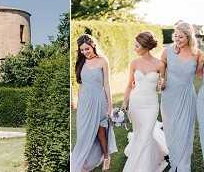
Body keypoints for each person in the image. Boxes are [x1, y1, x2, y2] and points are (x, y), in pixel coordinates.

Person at [122, 31, 167, 172]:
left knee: (146, 134)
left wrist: (162, 85)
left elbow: (162, 85)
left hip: (151, 105)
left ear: (145, 46)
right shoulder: (134, 63)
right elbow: (130, 84)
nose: (134, 48)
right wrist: (125, 102)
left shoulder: (160, 65)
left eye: (136, 46)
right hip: (136, 103)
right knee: (140, 134)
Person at [160, 21, 203, 172]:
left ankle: (183, 164)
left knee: (185, 130)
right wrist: (162, 79)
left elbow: (200, 75)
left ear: (189, 37)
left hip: (187, 97)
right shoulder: (167, 51)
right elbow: (161, 68)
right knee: (171, 129)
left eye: (181, 37)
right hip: (169, 97)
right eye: (176, 36)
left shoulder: (197, 54)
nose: (177, 40)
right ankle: (174, 158)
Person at [71, 34, 116, 172]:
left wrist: (110, 105)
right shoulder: (81, 62)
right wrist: (78, 103)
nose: (85, 52)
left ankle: (106, 157)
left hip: (99, 101)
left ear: (93, 46)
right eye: (82, 50)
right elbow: (81, 85)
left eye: (87, 49)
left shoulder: (103, 61)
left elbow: (107, 85)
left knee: (100, 132)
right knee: (83, 133)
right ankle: (83, 159)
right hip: (85, 103)